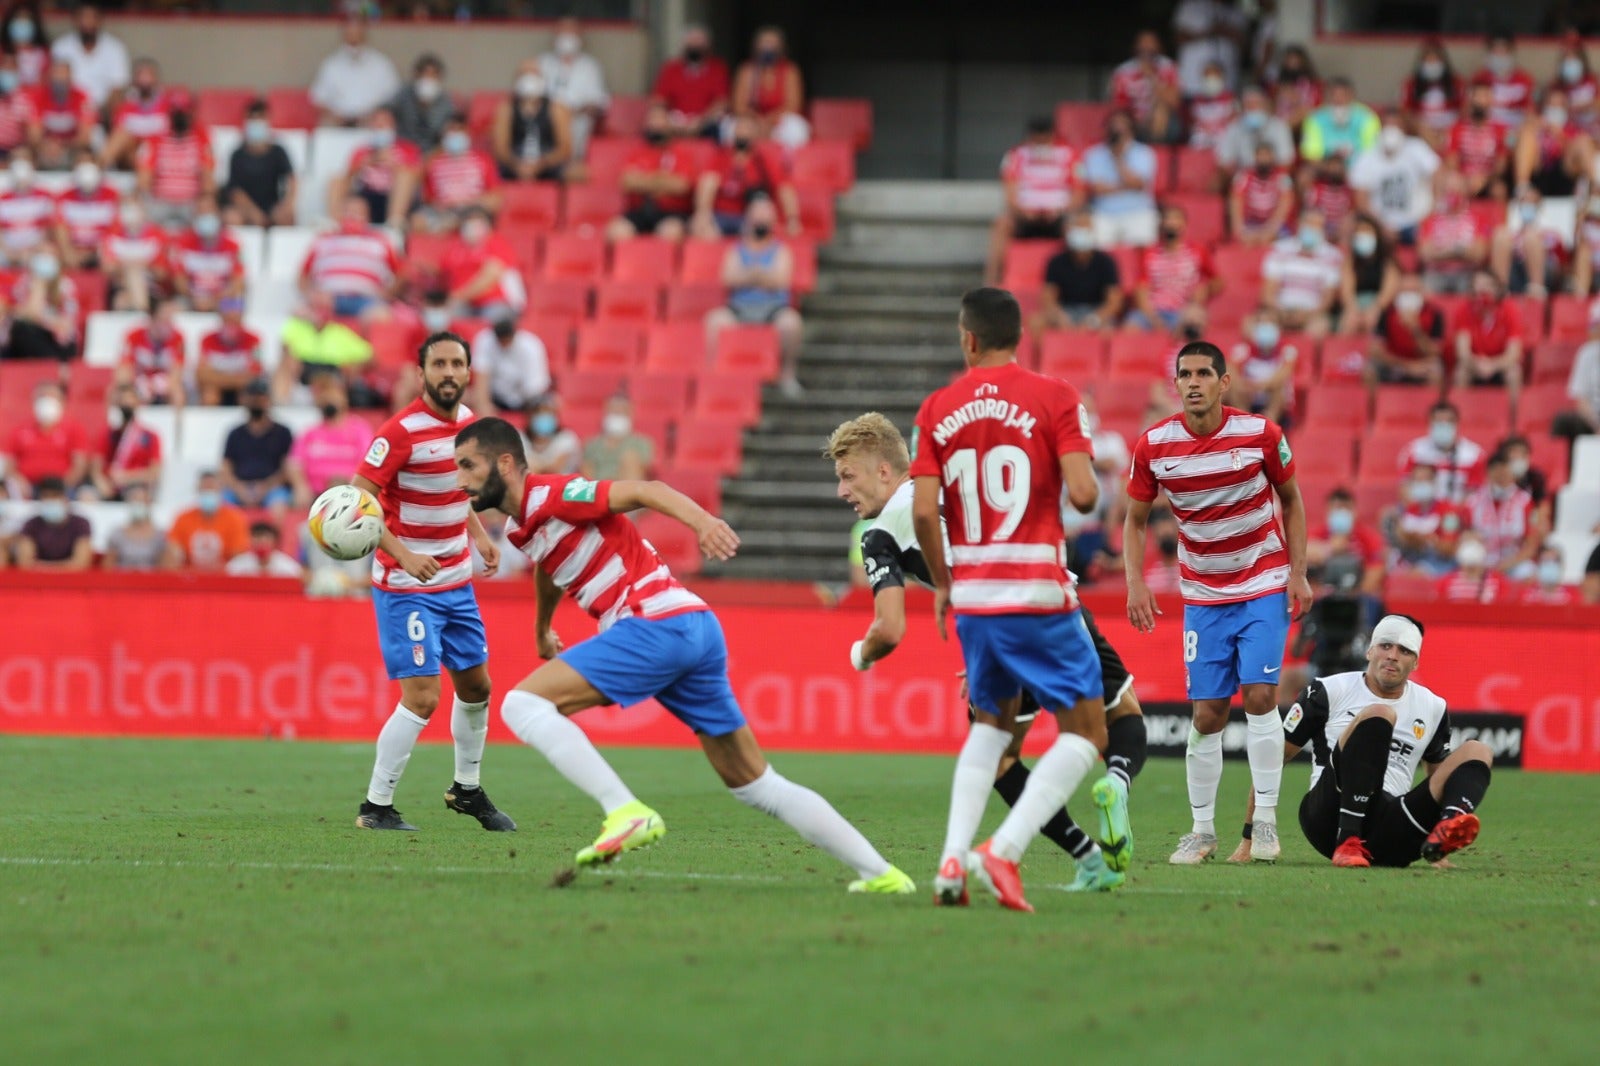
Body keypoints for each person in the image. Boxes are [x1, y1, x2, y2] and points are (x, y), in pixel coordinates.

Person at [452, 417, 909, 892]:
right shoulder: (524, 525)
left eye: (468, 465)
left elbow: (645, 490)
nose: (460, 478)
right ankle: (883, 874)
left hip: (653, 622)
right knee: (756, 784)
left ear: (505, 463)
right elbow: (552, 564)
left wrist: (704, 522)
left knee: (522, 704)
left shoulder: (553, 493)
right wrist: (543, 627)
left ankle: (624, 811)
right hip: (695, 626)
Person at [826, 411, 1146, 893]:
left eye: (848, 476)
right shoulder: (956, 484)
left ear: (885, 471)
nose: (841, 491)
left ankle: (1044, 856)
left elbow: (888, 630)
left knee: (998, 756)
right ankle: (1116, 787)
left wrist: (860, 655)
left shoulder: (881, 534)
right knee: (1119, 713)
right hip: (1054, 595)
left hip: (999, 626)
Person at [899, 288, 1106, 912]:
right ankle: (1004, 849)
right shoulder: (1055, 396)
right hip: (1038, 592)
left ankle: (950, 865)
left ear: (968, 339)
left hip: (975, 596)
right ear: (1020, 335)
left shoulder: (936, 408)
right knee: (1088, 732)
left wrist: (943, 583)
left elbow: (922, 510)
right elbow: (1087, 495)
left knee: (990, 726)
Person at [1124, 340, 1312, 866]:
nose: (1194, 382)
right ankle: (1202, 831)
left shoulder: (1260, 434)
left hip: (1262, 580)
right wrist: (1135, 584)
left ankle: (1266, 823)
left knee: (1258, 696)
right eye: (1185, 373)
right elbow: (1134, 520)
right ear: (1176, 382)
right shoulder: (1154, 445)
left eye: (1205, 373)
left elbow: (1293, 500)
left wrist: (1297, 573)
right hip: (1203, 594)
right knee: (1207, 713)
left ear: (1224, 382)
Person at [349, 330, 513, 833]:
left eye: (456, 364)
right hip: (406, 585)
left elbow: (453, 492)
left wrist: (480, 536)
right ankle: (376, 807)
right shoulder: (398, 433)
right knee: (422, 697)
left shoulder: (470, 428)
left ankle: (466, 789)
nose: (448, 373)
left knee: (477, 686)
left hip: (456, 582)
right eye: (438, 364)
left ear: (468, 373)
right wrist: (403, 554)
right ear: (421, 374)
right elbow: (358, 500)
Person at [1238, 617, 1493, 868]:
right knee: (1379, 714)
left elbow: (1437, 777)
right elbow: (1272, 760)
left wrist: (1439, 840)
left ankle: (1447, 828)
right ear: (1370, 651)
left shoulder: (1433, 706)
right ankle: (1347, 838)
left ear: (1415, 662)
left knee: (1478, 751)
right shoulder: (1327, 690)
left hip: (1390, 826)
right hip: (1328, 817)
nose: (1393, 655)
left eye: (1404, 651)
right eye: (1385, 646)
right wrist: (1249, 837)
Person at [704, 197, 803, 394]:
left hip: (773, 308)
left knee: (792, 324)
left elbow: (781, 281)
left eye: (765, 217)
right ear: (748, 220)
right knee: (714, 320)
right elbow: (728, 278)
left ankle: (786, 374)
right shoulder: (735, 249)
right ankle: (714, 375)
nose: (761, 222)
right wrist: (761, 275)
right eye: (757, 217)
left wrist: (748, 275)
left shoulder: (781, 250)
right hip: (740, 307)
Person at [983, 116, 1077, 283]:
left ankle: (1073, 283)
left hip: (1057, 217)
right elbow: (1010, 193)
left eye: (1045, 140)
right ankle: (992, 284)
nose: (1040, 144)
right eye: (1036, 140)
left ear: (1053, 136)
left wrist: (1060, 211)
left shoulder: (1070, 155)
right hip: (1026, 217)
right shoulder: (1015, 155)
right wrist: (1023, 211)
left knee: (1078, 229)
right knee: (1001, 224)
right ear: (1030, 137)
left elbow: (1079, 193)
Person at [692, 114, 799, 240]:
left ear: (755, 135)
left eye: (747, 129)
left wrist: (792, 219)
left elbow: (784, 188)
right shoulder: (721, 155)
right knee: (702, 227)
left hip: (748, 217)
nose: (743, 133)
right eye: (739, 128)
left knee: (762, 208)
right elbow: (707, 184)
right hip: (719, 214)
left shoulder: (762, 160)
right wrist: (702, 215)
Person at [300, 194, 402, 322]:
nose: (352, 216)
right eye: (348, 211)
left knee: (381, 317)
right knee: (304, 315)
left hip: (366, 299)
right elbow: (303, 276)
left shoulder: (381, 241)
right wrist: (311, 294)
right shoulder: (323, 240)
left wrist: (388, 293)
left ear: (368, 216)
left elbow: (401, 273)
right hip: (329, 297)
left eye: (358, 212)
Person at [607, 102, 695, 242]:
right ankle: (630, 264)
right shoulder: (636, 152)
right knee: (616, 232)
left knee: (670, 233)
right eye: (652, 120)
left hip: (672, 212)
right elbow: (627, 182)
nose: (656, 125)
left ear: (670, 124)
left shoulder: (681, 153)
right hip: (640, 211)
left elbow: (681, 186)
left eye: (660, 120)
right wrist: (663, 180)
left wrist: (645, 181)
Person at [1349, 112, 1440, 246]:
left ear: (1404, 128)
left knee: (1434, 236)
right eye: (1387, 125)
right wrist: (1381, 226)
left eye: (1396, 125)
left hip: (1415, 223)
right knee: (1361, 234)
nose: (1391, 130)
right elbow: (1362, 199)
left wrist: (1431, 211)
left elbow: (1439, 175)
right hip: (1379, 224)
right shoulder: (1366, 156)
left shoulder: (1416, 148)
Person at [1130, 202, 1219, 335]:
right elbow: (1142, 289)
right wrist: (1154, 319)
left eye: (1176, 218)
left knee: (1193, 323)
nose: (1171, 223)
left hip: (1183, 311)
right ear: (1162, 224)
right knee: (1130, 328)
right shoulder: (1150, 254)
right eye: (1168, 219)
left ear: (1184, 224)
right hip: (1154, 311)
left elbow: (1217, 281)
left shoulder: (1197, 252)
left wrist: (1204, 290)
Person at [273, 291, 376, 406]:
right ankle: (281, 403)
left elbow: (369, 356)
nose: (320, 312)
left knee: (334, 379)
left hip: (330, 371)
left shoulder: (339, 332)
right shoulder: (296, 326)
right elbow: (285, 347)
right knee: (286, 363)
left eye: (323, 308)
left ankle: (333, 411)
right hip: (303, 369)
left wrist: (351, 368)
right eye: (316, 307)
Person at [285, 374, 371, 509]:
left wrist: (346, 483)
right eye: (322, 396)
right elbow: (294, 463)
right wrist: (300, 485)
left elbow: (368, 465)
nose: (326, 400)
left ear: (343, 398)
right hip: (315, 496)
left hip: (350, 493)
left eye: (330, 394)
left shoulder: (359, 430)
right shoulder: (310, 432)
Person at [1078, 109, 1159, 247]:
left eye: (1122, 127)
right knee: (1095, 246)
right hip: (1104, 214)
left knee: (1144, 243)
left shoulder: (1145, 153)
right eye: (1114, 127)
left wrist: (1118, 158)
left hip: (1138, 213)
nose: (1118, 131)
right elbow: (1098, 189)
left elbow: (1137, 184)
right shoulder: (1093, 154)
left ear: (1131, 130)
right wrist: (1126, 187)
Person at [1033, 212, 1122, 333]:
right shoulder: (1056, 261)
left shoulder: (1106, 262)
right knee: (1035, 322)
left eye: (1085, 230)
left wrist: (1094, 320)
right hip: (1066, 311)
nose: (1081, 234)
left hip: (1096, 311)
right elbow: (1048, 298)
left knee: (1108, 330)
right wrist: (1059, 316)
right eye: (1077, 230)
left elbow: (1114, 302)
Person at [330, 108, 420, 229]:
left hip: (394, 197)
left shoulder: (407, 149)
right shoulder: (362, 151)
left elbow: (418, 177)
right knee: (336, 180)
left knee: (405, 176)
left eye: (384, 124)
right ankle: (335, 222)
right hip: (367, 198)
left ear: (394, 126)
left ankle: (395, 221)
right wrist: (368, 162)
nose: (380, 127)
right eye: (377, 124)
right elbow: (348, 178)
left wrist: (394, 165)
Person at [135, 95, 214, 228]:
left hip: (191, 203)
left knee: (208, 211)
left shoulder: (201, 138)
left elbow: (208, 178)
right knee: (137, 210)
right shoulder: (156, 139)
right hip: (160, 202)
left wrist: (205, 199)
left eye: (184, 113)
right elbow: (144, 179)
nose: (180, 117)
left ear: (191, 113)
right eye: (177, 113)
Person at [1260, 206, 1341, 337]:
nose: (1312, 228)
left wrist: (1307, 315)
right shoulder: (1279, 249)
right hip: (1281, 310)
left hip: (1313, 313)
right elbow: (1268, 293)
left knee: (1319, 327)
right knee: (1258, 325)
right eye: (1309, 223)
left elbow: (1328, 298)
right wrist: (1282, 312)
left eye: (1317, 225)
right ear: (1299, 224)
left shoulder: (1332, 256)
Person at [1463, 449, 1542, 581]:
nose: (1501, 478)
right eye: (1497, 474)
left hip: (1514, 562)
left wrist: (1505, 565)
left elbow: (1531, 545)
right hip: (1482, 562)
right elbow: (1463, 538)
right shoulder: (1473, 503)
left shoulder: (1525, 502)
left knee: (1530, 575)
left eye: (1504, 474)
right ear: (1488, 473)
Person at [310, 12, 400, 127]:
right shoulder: (331, 65)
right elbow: (318, 99)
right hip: (338, 124)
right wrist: (335, 116)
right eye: (350, 37)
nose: (354, 42)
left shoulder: (381, 65)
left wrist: (374, 115)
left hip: (370, 123)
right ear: (343, 36)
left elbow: (394, 97)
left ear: (365, 35)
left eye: (357, 36)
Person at [1365, 270, 1447, 396]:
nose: (1408, 297)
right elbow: (1375, 350)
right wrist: (1407, 367)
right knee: (1369, 370)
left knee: (1436, 372)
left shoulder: (1435, 313)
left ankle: (1433, 410)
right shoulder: (1387, 312)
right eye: (1405, 292)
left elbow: (1434, 352)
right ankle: (1372, 412)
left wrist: (1416, 330)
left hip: (1422, 364)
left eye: (1413, 292)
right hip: (1395, 363)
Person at [1452, 269, 1525, 408]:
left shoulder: (1510, 310)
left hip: (1500, 363)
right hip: (1475, 363)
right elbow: (1463, 352)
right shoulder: (1464, 310)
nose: (1482, 292)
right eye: (1478, 286)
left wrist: (1493, 365)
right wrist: (1476, 363)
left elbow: (1513, 352)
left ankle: (1514, 418)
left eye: (1487, 286)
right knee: (1461, 372)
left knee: (1514, 373)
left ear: (1497, 289)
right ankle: (1461, 415)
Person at [539, 17, 609, 159]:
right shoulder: (542, 62)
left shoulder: (590, 66)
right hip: (546, 122)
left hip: (579, 124)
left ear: (580, 37)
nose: (567, 37)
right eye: (563, 32)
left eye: (572, 32)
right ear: (555, 36)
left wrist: (573, 112)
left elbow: (599, 103)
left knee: (578, 126)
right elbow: (531, 98)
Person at [220, 380, 294, 515]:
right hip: (239, 487)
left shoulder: (282, 433)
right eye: (253, 397)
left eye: (261, 397)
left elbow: (287, 468)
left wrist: (265, 487)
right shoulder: (236, 434)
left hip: (273, 488)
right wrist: (239, 488)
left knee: (278, 506)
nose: (257, 401)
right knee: (223, 508)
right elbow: (226, 467)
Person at [2, 382, 89, 495]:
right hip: (26, 488)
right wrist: (20, 483)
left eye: (51, 397)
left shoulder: (75, 429)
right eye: (42, 397)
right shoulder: (20, 430)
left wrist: (60, 488)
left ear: (62, 402)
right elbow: (9, 466)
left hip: (62, 488)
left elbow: (79, 466)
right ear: (34, 401)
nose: (46, 401)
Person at [490, 63, 572, 184]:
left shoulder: (556, 108)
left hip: (548, 163)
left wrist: (540, 165)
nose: (529, 80)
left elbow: (565, 148)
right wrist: (518, 165)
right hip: (515, 164)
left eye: (534, 75)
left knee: (577, 173)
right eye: (524, 75)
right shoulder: (506, 109)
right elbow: (501, 149)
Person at [221, 99, 296, 228]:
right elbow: (235, 191)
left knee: (288, 217)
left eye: (260, 118)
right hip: (245, 209)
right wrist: (254, 214)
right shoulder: (237, 154)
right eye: (252, 119)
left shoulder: (278, 151)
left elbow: (292, 180)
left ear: (268, 121)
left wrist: (287, 205)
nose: (256, 123)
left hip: (272, 208)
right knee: (231, 217)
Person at [441, 206, 525, 320]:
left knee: (493, 316)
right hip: (466, 303)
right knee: (444, 316)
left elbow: (490, 276)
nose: (472, 226)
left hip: (497, 302)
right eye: (468, 221)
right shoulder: (457, 247)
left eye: (477, 221)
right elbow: (443, 272)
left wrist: (459, 296)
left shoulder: (497, 243)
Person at [418, 114, 501, 231]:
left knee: (475, 220)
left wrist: (468, 203)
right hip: (444, 212)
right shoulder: (434, 163)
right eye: (450, 131)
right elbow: (428, 198)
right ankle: (448, 226)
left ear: (467, 133)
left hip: (472, 209)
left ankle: (452, 225)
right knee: (417, 221)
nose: (455, 135)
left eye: (459, 130)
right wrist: (440, 206)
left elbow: (495, 199)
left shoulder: (483, 160)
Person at [731, 25, 808, 149]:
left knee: (797, 129)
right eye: (764, 42)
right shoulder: (747, 70)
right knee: (732, 129)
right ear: (756, 46)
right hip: (752, 120)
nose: (768, 47)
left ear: (781, 47)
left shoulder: (790, 70)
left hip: (780, 121)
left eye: (773, 43)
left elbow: (794, 105)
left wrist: (769, 121)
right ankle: (742, 165)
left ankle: (788, 166)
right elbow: (739, 105)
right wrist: (757, 121)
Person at [1384, 461, 1466, 575]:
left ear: (1434, 482)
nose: (1421, 484)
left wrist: (1427, 540)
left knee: (1415, 574)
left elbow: (1449, 548)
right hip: (1411, 558)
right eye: (1417, 480)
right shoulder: (1408, 511)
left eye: (1425, 480)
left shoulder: (1449, 513)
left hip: (1439, 562)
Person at [1400, 401, 1487, 506]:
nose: (1444, 425)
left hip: (1457, 513)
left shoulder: (1474, 455)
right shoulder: (1414, 451)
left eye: (1449, 421)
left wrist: (1452, 513)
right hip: (1422, 511)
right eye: (1439, 422)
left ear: (1457, 423)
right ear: (1430, 423)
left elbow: (1474, 493)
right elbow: (1404, 488)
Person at [651, 24, 728, 138]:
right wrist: (671, 120)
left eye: (699, 42)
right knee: (656, 120)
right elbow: (658, 101)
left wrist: (700, 121)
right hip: (675, 122)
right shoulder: (671, 69)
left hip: (707, 122)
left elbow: (722, 103)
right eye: (691, 42)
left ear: (707, 45)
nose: (695, 46)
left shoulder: (717, 69)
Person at [1513, 86, 1592, 199]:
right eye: (1551, 104)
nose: (1555, 108)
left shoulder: (1572, 129)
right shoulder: (1535, 124)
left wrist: (1559, 135)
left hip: (1564, 174)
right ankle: (1522, 187)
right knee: (1526, 136)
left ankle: (1593, 187)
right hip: (1539, 173)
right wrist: (1532, 125)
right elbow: (1512, 141)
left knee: (1583, 141)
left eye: (1559, 105)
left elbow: (1577, 153)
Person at [163, 470, 249, 571]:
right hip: (189, 576)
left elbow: (238, 553)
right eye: (205, 489)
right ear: (198, 490)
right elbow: (173, 548)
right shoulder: (183, 518)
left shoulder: (234, 518)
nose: (208, 493)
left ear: (220, 490)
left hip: (225, 576)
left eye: (211, 488)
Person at [1308, 486, 1386, 597]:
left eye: (1346, 508)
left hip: (1356, 596)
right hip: (1324, 597)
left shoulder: (1369, 537)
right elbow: (1302, 554)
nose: (1341, 513)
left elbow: (1376, 571)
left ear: (1355, 511)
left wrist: (1355, 598)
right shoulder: (1318, 533)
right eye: (1336, 508)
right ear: (1327, 511)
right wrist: (1331, 548)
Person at [1110, 30, 1183, 145]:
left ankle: (1157, 151)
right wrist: (1138, 119)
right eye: (1143, 46)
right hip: (1135, 121)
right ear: (1136, 48)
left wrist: (1151, 78)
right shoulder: (1123, 71)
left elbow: (1174, 102)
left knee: (1161, 108)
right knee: (1120, 122)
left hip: (1164, 125)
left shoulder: (1168, 67)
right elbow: (1119, 107)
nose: (1147, 50)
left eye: (1151, 46)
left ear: (1159, 48)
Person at [1226, 308, 1298, 424]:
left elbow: (1283, 374)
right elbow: (1230, 370)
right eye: (1262, 323)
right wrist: (1242, 385)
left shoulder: (1287, 350)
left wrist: (1261, 386)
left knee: (1279, 386)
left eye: (1270, 322)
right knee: (1232, 387)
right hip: (1250, 396)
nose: (1266, 326)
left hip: (1275, 399)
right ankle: (1244, 422)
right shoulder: (1243, 349)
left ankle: (1270, 420)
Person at [91, 381, 161, 501]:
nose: (126, 404)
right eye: (122, 400)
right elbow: (96, 467)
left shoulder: (149, 436)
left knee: (138, 497)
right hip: (109, 484)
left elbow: (154, 473)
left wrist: (127, 477)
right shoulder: (107, 434)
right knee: (87, 496)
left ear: (137, 403)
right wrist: (101, 483)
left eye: (130, 400)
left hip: (134, 486)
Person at [49, 3, 126, 110]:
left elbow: (117, 88)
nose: (88, 22)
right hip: (70, 110)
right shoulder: (61, 47)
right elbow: (57, 84)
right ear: (75, 20)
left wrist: (100, 114)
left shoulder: (115, 48)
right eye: (83, 17)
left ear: (100, 21)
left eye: (93, 17)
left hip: (103, 111)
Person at [101, 56, 173, 170]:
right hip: (131, 156)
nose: (145, 79)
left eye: (148, 75)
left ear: (156, 78)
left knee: (148, 152)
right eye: (141, 75)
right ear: (134, 79)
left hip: (159, 156)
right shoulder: (125, 106)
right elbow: (118, 135)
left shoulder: (168, 106)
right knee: (121, 136)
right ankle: (96, 170)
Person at [1494, 185, 1565, 298]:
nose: (1527, 205)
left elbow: (1560, 260)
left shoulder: (1550, 232)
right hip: (1515, 271)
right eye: (1524, 202)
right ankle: (1500, 291)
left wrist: (1534, 241)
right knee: (1500, 235)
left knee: (1531, 238)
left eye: (1531, 202)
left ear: (1538, 206)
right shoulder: (1512, 233)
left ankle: (1536, 290)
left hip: (1544, 271)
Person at [469, 316, 550, 415]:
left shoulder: (531, 347)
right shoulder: (485, 340)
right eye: (500, 341)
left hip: (525, 400)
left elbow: (534, 389)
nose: (503, 344)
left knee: (545, 407)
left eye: (506, 341)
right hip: (495, 397)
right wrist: (484, 405)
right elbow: (482, 377)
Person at [170, 203, 243, 312]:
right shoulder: (183, 243)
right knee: (168, 310)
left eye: (209, 213)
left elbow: (238, 282)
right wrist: (195, 296)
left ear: (217, 215)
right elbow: (179, 281)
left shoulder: (232, 245)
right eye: (201, 213)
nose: (205, 217)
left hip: (222, 297)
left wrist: (215, 298)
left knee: (235, 308)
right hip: (191, 297)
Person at [8, 248, 79, 360]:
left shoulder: (66, 286)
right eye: (42, 254)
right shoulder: (25, 283)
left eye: (49, 254)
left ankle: (53, 367)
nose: (45, 259)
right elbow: (25, 312)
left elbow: (66, 326)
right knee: (22, 329)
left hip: (58, 342)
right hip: (34, 336)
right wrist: (39, 285)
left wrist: (44, 320)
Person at [1447, 80, 1512, 200]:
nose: (1481, 101)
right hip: (1463, 179)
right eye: (1478, 97)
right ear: (1470, 100)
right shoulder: (1456, 129)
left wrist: (1484, 179)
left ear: (1491, 101)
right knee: (1452, 185)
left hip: (1488, 180)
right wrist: (1466, 180)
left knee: (1499, 190)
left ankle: (1499, 219)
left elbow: (1501, 165)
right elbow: (1452, 161)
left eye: (1485, 97)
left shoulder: (1501, 130)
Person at [54, 150, 118, 271]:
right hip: (74, 251)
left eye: (89, 163)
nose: (85, 168)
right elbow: (60, 228)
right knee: (51, 258)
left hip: (101, 252)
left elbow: (116, 229)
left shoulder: (112, 195)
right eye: (81, 164)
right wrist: (68, 252)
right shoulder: (64, 196)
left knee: (110, 261)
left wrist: (97, 252)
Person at [24, 57, 93, 170]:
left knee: (86, 159)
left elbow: (85, 137)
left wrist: (62, 145)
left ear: (70, 78)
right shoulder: (37, 97)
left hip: (72, 149)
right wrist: (48, 146)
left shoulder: (82, 97)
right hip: (43, 149)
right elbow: (34, 136)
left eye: (63, 76)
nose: (60, 80)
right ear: (49, 77)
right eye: (56, 76)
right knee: (23, 156)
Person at [1214, 85, 1294, 178]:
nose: (1253, 108)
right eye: (1248, 105)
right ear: (1242, 108)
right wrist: (1243, 177)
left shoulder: (1279, 126)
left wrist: (1265, 180)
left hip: (1272, 177)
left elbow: (1286, 162)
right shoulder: (1234, 127)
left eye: (1256, 104)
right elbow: (1224, 161)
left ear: (1265, 105)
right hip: (1242, 176)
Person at [101, 199, 168, 312]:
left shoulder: (157, 235)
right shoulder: (111, 234)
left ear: (142, 211)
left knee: (125, 297)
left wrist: (132, 265)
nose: (130, 213)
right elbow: (107, 268)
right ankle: (140, 311)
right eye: (126, 209)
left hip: (150, 287)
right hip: (121, 285)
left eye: (133, 209)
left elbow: (161, 273)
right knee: (121, 299)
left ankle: (140, 310)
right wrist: (136, 265)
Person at [1337, 215, 1398, 337]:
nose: (1363, 235)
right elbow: (1347, 290)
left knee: (1372, 321)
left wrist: (1375, 308)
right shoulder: (1350, 262)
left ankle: (1371, 354)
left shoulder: (1387, 262)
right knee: (1349, 321)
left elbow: (1388, 291)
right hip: (1356, 303)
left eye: (1367, 231)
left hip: (1379, 306)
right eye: (1359, 232)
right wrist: (1353, 309)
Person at [12, 475, 90, 570]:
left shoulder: (80, 524)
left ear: (66, 498)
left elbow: (80, 563)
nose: (51, 500)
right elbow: (25, 563)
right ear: (40, 499)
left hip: (71, 581)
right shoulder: (31, 524)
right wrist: (62, 567)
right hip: (37, 581)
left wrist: (43, 567)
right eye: (46, 496)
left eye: (55, 496)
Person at [116, 296, 183, 405]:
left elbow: (177, 371)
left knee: (178, 394)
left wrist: (158, 386)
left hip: (164, 384)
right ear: (152, 318)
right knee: (121, 393)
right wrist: (133, 387)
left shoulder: (178, 338)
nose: (169, 325)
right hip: (138, 382)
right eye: (164, 320)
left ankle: (176, 422)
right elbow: (123, 369)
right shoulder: (134, 336)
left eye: (170, 320)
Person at [195, 298, 263, 406]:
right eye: (228, 320)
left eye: (235, 321)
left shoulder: (254, 341)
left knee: (250, 395)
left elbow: (256, 372)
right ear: (221, 319)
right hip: (217, 388)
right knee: (209, 395)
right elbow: (202, 374)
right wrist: (235, 379)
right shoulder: (207, 340)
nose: (232, 326)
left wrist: (219, 378)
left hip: (240, 389)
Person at [1172, 0, 1247, 97]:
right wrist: (1209, 32)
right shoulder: (1189, 6)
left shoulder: (1235, 11)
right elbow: (1179, 37)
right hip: (1192, 81)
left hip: (1227, 81)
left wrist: (1226, 31)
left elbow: (1245, 46)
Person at [1228, 140, 1294, 246]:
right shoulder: (1244, 176)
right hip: (1251, 223)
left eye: (1267, 155)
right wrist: (1239, 230)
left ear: (1273, 157)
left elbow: (1285, 205)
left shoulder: (1282, 178)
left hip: (1275, 225)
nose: (1264, 159)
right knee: (1243, 241)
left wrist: (1270, 231)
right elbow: (1235, 202)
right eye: (1261, 155)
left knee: (1277, 241)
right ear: (1255, 157)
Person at [1300, 78, 1379, 163]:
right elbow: (1310, 153)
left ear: (1352, 96)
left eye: (1343, 95)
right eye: (1333, 95)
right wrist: (1329, 164)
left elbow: (1371, 152)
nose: (1338, 100)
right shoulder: (1315, 119)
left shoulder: (1367, 118)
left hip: (1358, 166)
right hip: (1325, 164)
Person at [1401, 39, 1462, 151]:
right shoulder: (1411, 84)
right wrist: (1420, 128)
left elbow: (1464, 111)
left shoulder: (1456, 83)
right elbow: (1406, 113)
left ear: (1443, 62)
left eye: (1435, 60)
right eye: (1428, 60)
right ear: (1421, 63)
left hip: (1449, 130)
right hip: (1422, 132)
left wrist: (1449, 129)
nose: (1432, 64)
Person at [580, 395, 654, 482]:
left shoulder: (642, 443)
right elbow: (586, 470)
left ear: (630, 414)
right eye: (613, 410)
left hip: (626, 487)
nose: (617, 413)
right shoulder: (591, 444)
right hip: (599, 488)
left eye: (622, 411)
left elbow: (643, 470)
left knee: (631, 460)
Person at [389, 53, 452, 154]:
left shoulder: (445, 104)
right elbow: (387, 115)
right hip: (403, 149)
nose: (428, 79)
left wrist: (428, 108)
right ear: (417, 75)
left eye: (433, 75)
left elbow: (445, 132)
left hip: (430, 152)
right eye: (425, 74)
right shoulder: (403, 95)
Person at [1472, 31, 1535, 131]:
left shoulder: (1524, 79)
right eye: (1496, 51)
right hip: (1488, 130)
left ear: (1511, 53)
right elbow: (1471, 111)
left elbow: (1530, 111)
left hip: (1516, 129)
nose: (1500, 55)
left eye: (1504, 51)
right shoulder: (1480, 78)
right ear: (1489, 53)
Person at [1554, 302, 1600, 440]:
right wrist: (1597, 425)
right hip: (1592, 418)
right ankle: (1562, 460)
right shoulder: (1586, 353)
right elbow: (1581, 399)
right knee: (1562, 422)